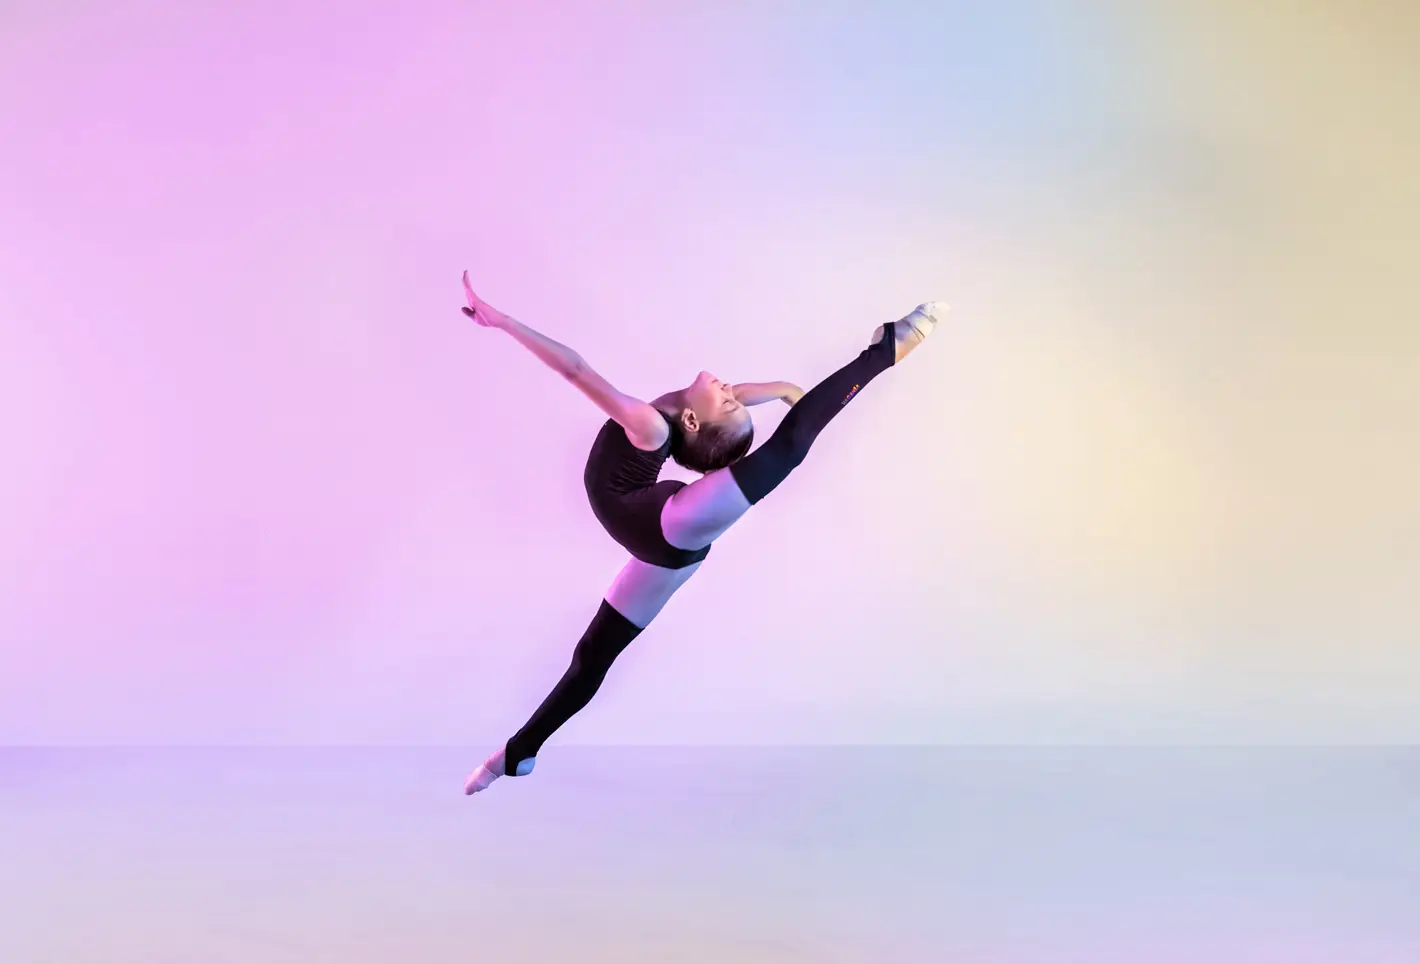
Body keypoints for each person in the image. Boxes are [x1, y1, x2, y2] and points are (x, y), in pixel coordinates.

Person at [460, 271, 946, 794]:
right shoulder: (686, 417)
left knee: (787, 450)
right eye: (734, 401)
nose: (731, 391)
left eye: (730, 402)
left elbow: (575, 369)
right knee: (592, 655)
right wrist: (785, 390)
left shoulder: (648, 425)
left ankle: (884, 350)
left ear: (692, 424)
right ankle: (518, 753)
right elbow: (740, 395)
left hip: (666, 524)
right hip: (664, 548)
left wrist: (503, 322)